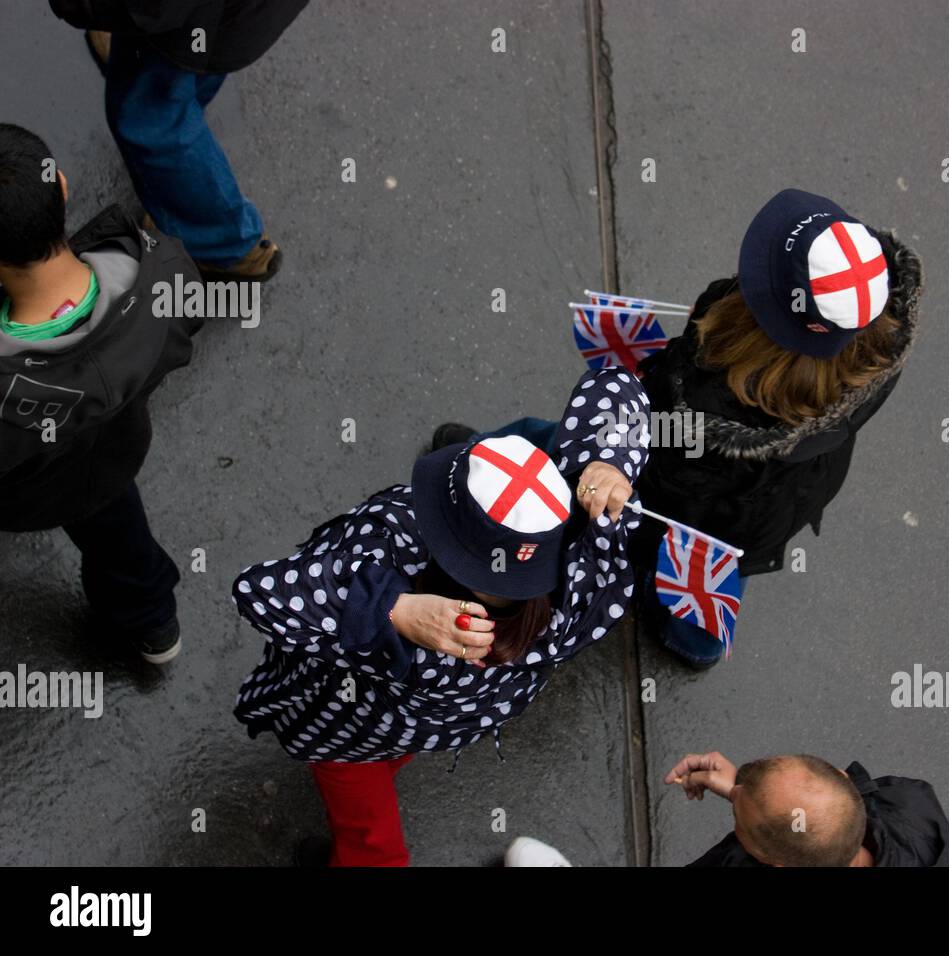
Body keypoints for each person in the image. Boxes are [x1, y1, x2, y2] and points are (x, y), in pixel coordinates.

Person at [230, 368, 651, 867]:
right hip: (447, 719)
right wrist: (611, 464)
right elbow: (621, 392)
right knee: (395, 754)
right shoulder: (587, 574)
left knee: (371, 841)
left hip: (354, 724)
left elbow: (262, 592)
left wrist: (390, 607)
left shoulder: (395, 542)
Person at [633, 188, 922, 668]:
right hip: (775, 508)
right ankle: (696, 645)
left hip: (700, 510)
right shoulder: (876, 350)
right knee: (720, 571)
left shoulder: (710, 403)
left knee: (683, 549)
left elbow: (669, 469)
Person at [0, 124, 204, 663]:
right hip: (109, 458)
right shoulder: (163, 272)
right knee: (120, 536)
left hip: (19, 491)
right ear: (62, 187)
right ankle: (155, 626)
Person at [48, 0, 309, 281]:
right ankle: (166, 67)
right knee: (203, 57)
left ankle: (222, 245)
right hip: (236, 14)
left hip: (180, 21)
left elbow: (154, 8)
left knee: (153, 119)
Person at [666, 750, 949, 867]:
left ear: (776, 863)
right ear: (845, 779)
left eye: (737, 815)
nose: (735, 789)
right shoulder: (912, 809)